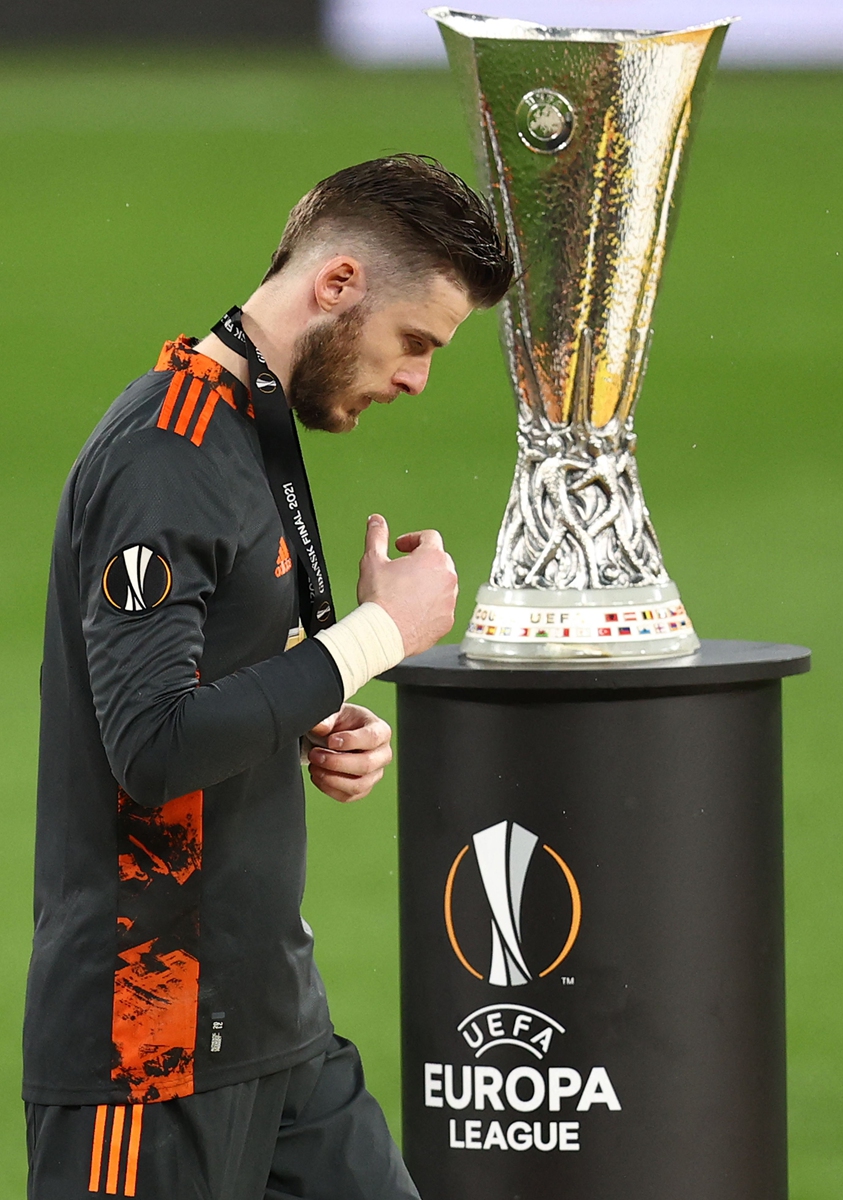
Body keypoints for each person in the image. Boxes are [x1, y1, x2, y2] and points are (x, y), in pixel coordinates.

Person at [23, 154, 513, 1200]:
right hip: (145, 1051)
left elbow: (211, 683)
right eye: (415, 341)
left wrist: (319, 704)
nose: (418, 377)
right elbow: (153, 746)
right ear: (337, 285)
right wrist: (377, 637)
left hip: (271, 1026)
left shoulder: (245, 433)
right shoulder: (168, 451)